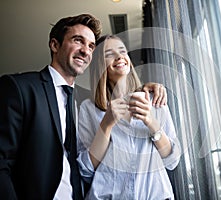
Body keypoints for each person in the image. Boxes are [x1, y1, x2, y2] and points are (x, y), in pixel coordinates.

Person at [0, 14, 167, 200]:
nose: (85, 51)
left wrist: (148, 88)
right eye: (78, 41)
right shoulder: (19, 88)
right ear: (55, 45)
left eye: (91, 46)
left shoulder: (81, 101)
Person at [77, 35, 181, 199]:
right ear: (99, 65)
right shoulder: (89, 109)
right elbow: (85, 169)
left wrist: (150, 121)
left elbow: (172, 161)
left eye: (122, 51)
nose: (119, 57)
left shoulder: (154, 100)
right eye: (109, 53)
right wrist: (106, 125)